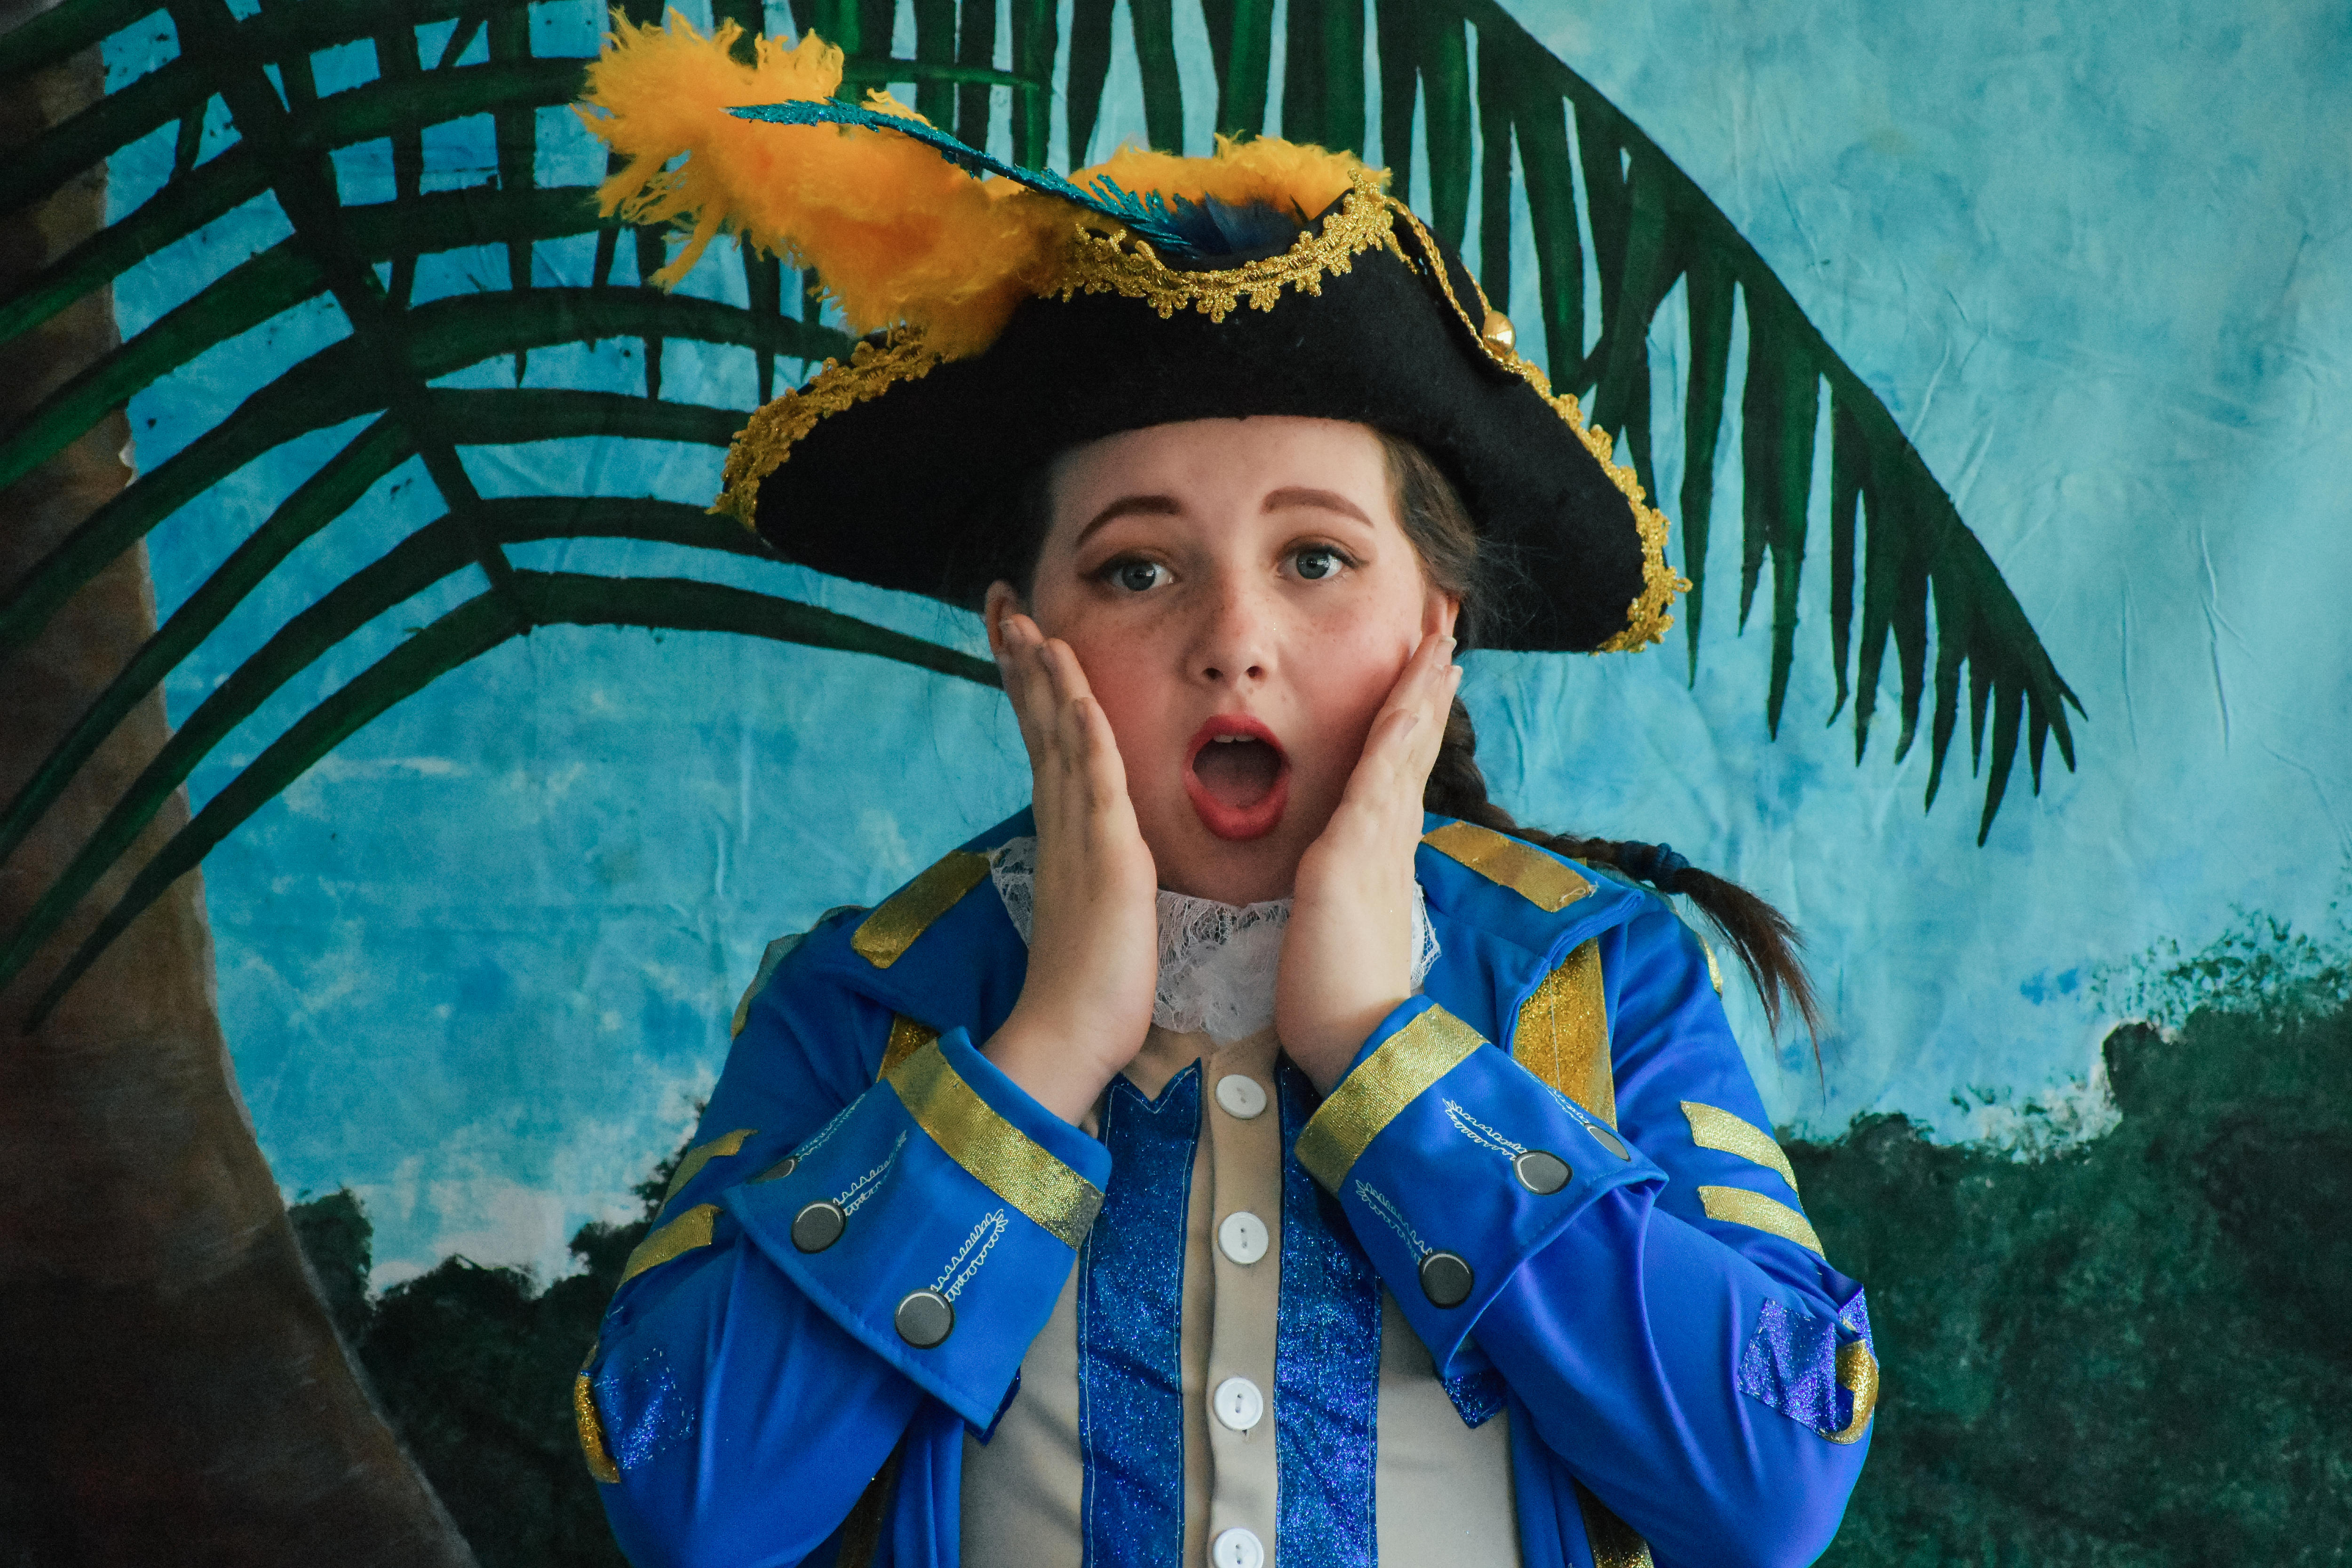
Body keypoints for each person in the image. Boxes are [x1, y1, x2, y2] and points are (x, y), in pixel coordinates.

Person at [569, 16, 1875, 1568]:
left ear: (1432, 631)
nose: (1234, 642)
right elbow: (687, 1506)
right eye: (1137, 568)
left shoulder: (1602, 978)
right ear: (1025, 637)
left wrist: (1384, 1055)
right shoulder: (862, 1002)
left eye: (1317, 559)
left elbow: (1774, 1487)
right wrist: (1043, 1049)